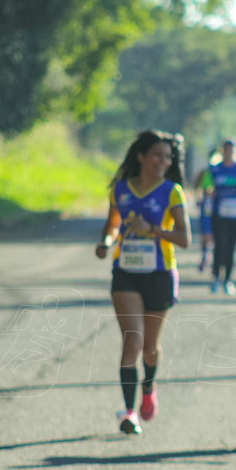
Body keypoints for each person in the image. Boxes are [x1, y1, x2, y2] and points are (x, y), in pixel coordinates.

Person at [95, 130, 191, 435]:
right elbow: (112, 225)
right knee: (132, 341)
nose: (163, 161)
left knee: (149, 348)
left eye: (167, 157)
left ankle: (148, 388)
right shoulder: (120, 190)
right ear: (141, 156)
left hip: (160, 274)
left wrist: (152, 229)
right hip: (125, 272)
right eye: (157, 155)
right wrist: (106, 242)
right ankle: (129, 412)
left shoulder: (172, 192)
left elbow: (184, 238)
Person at [198, 138, 236, 296]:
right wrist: (209, 192)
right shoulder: (214, 169)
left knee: (231, 246)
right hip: (219, 213)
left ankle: (228, 280)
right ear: (222, 151)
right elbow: (205, 187)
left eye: (232, 149)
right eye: (226, 149)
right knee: (219, 245)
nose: (229, 153)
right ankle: (216, 277)